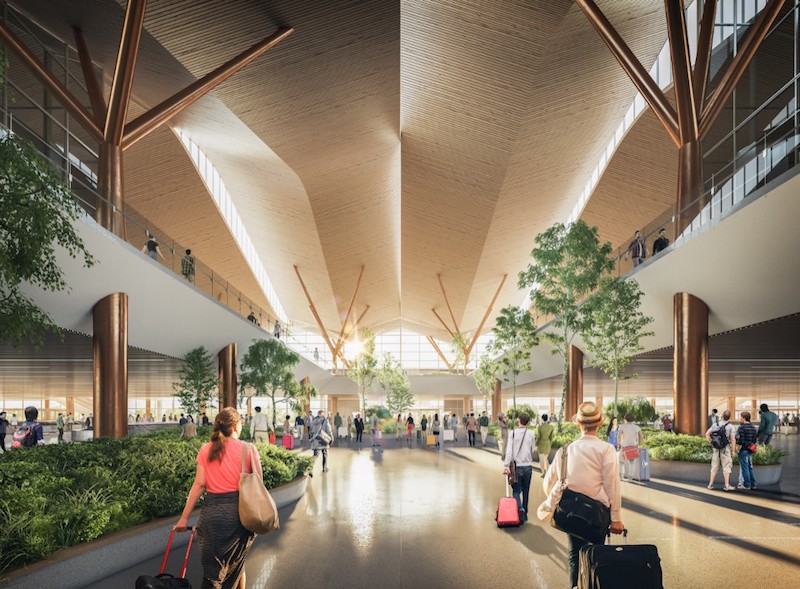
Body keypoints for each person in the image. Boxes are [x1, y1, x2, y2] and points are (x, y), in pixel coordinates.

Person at [541, 402, 624, 588]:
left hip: (571, 512)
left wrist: (560, 499)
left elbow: (548, 483)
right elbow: (612, 485)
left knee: (574, 557)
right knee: (596, 557)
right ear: (600, 424)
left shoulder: (565, 450)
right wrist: (616, 518)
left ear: (578, 424)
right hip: (597, 515)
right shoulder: (606, 449)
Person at [176, 407, 256, 589]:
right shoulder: (248, 449)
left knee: (213, 572)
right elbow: (257, 484)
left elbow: (199, 485)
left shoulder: (206, 449)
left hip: (211, 514)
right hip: (240, 514)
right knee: (237, 565)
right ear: (236, 426)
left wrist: (184, 518)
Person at [502, 412, 536, 522]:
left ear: (518, 420)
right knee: (526, 491)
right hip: (528, 466)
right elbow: (532, 449)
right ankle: (524, 513)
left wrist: (506, 465)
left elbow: (509, 451)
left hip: (516, 467)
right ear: (528, 422)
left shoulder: (512, 433)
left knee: (516, 490)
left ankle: (519, 509)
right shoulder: (531, 433)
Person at [705, 409, 736, 491]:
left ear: (722, 416)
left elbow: (707, 434)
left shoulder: (715, 424)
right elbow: (733, 439)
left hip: (716, 449)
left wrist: (711, 443)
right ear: (729, 417)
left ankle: (710, 484)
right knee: (726, 467)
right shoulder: (730, 426)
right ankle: (726, 485)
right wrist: (733, 451)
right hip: (725, 449)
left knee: (714, 467)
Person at [736, 411, 758, 490]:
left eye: (740, 417)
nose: (740, 419)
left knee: (744, 467)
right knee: (750, 467)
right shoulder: (753, 427)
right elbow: (755, 440)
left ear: (744, 418)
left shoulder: (742, 427)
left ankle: (747, 484)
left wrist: (738, 448)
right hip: (750, 449)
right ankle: (753, 484)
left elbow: (740, 440)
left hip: (744, 450)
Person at [617, 413, 643, 481]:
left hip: (624, 446)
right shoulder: (636, 427)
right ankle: (630, 478)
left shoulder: (622, 426)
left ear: (625, 419)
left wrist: (619, 443)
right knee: (632, 462)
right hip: (633, 447)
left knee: (621, 462)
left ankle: (621, 476)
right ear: (633, 419)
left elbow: (619, 436)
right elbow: (641, 437)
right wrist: (639, 444)